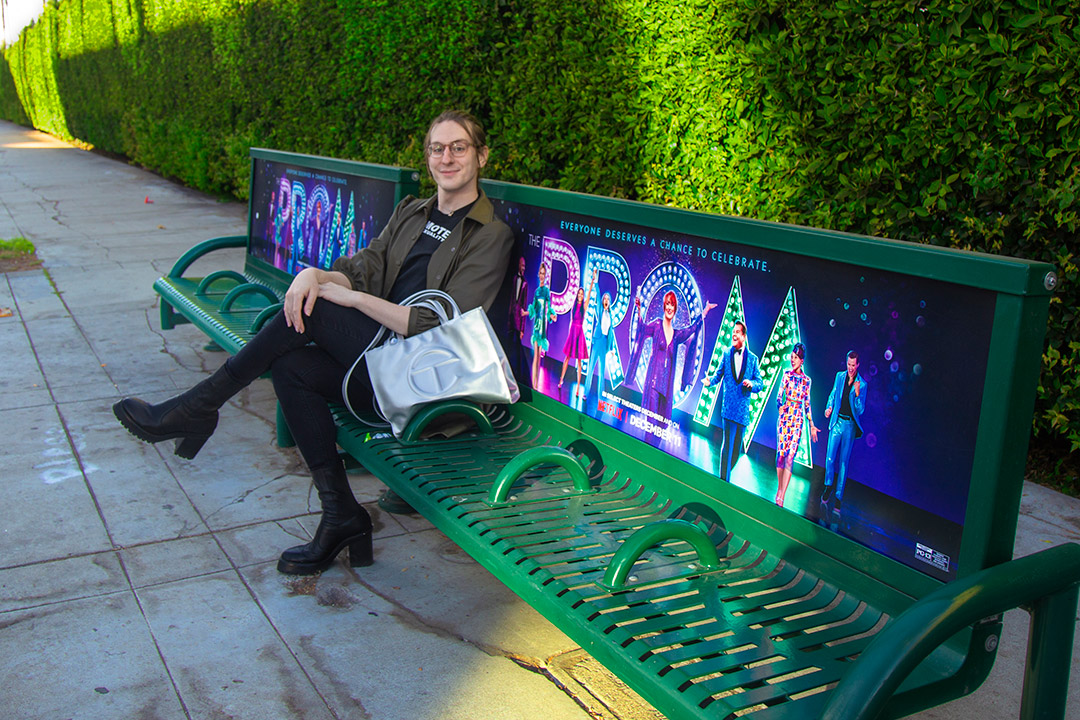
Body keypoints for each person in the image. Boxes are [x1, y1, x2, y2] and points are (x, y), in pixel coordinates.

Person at [113, 110, 514, 576]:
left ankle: (199, 406)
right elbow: (365, 264)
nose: (447, 158)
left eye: (459, 147)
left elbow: (433, 326)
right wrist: (315, 275)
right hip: (378, 364)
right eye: (437, 148)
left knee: (319, 309)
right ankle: (340, 512)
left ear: (481, 156)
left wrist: (351, 298)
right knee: (293, 366)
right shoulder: (413, 213)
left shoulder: (492, 234)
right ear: (427, 157)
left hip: (425, 381)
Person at [628, 291, 717, 419]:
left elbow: (691, 329)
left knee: (660, 425)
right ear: (664, 306)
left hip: (666, 387)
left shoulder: (676, 335)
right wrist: (638, 310)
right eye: (668, 304)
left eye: (672, 305)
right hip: (653, 384)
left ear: (675, 309)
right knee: (651, 422)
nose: (670, 307)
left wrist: (705, 312)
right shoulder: (657, 325)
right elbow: (642, 329)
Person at [703, 321, 763, 482]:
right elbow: (718, 374)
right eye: (733, 332)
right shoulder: (726, 354)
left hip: (742, 411)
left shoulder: (752, 359)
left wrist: (752, 384)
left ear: (744, 336)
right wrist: (710, 382)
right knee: (727, 445)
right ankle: (724, 481)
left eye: (737, 332)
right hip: (728, 408)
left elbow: (760, 383)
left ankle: (725, 473)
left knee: (736, 450)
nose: (734, 335)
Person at [821, 350, 867, 517]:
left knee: (843, 462)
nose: (850, 368)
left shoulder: (862, 384)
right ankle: (828, 486)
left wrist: (856, 393)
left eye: (853, 365)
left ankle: (839, 496)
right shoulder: (840, 377)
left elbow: (860, 410)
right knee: (830, 457)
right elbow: (833, 394)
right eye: (848, 364)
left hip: (849, 425)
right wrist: (828, 407)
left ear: (858, 365)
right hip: (837, 421)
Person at [773, 343, 818, 507]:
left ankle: (782, 495)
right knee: (781, 456)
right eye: (792, 357)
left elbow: (807, 404)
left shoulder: (807, 381)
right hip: (785, 418)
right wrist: (780, 406)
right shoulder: (786, 375)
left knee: (790, 458)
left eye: (796, 358)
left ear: (802, 360)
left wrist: (811, 424)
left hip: (797, 420)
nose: (793, 360)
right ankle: (779, 488)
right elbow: (779, 396)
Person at [558, 270, 597, 397]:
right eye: (579, 293)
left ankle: (578, 390)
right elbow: (571, 320)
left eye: (582, 294)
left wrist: (592, 280)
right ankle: (561, 380)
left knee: (579, 362)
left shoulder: (584, 306)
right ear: (577, 295)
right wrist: (569, 334)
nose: (580, 295)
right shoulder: (574, 306)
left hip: (579, 333)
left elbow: (590, 294)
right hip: (572, 333)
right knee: (567, 358)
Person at [528, 262, 556, 388]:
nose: (542, 275)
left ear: (546, 276)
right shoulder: (536, 292)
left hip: (542, 326)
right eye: (541, 273)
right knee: (535, 357)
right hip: (536, 326)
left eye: (544, 274)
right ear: (538, 274)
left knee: (539, 358)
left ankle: (536, 383)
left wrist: (551, 315)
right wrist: (526, 312)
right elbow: (533, 308)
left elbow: (549, 307)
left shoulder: (546, 291)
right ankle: (533, 385)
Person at [585, 290, 615, 398]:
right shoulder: (600, 310)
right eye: (605, 298)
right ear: (603, 301)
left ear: (609, 301)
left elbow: (611, 332)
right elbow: (597, 296)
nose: (606, 300)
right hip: (597, 340)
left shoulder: (611, 315)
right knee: (591, 367)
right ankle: (585, 393)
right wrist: (596, 283)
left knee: (602, 372)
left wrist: (611, 348)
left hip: (604, 342)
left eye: (608, 299)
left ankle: (600, 397)